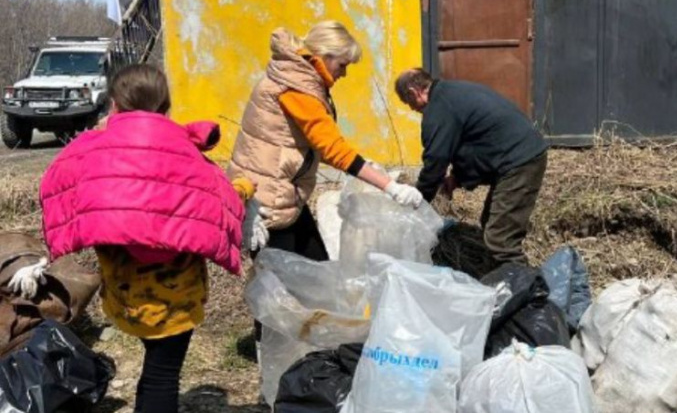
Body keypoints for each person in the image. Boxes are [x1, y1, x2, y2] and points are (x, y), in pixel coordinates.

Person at [11, 64, 255, 413]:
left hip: (125, 296)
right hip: (177, 300)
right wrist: (245, 187)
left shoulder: (90, 153)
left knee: (154, 371)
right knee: (162, 376)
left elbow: (58, 186)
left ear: (113, 104)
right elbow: (222, 200)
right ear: (166, 106)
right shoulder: (186, 154)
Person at [228, 21, 423, 257]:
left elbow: (310, 143)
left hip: (280, 193)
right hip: (268, 201)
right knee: (292, 281)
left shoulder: (295, 77)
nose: (344, 73)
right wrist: (390, 187)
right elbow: (331, 148)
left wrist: (363, 164)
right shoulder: (297, 88)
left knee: (311, 273)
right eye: (343, 65)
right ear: (325, 55)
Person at [394, 68, 548, 267]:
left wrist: (419, 199)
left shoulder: (439, 108)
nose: (412, 109)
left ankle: (527, 290)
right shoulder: (452, 94)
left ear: (414, 93)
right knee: (491, 226)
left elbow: (436, 161)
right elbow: (473, 144)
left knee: (500, 241)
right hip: (519, 156)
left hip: (519, 162)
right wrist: (456, 178)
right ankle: (505, 282)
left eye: (408, 103)